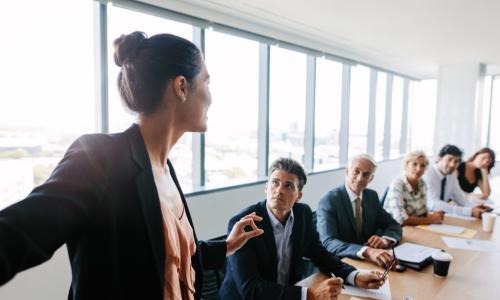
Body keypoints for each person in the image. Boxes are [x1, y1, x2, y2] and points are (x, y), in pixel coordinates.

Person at [0, 32, 264, 300]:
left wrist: (227, 245)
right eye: (207, 81)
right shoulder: (100, 157)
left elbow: (169, 257)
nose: (211, 96)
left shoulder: (166, 168)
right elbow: (19, 232)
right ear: (181, 87)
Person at [219, 158, 385, 300]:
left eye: (288, 186)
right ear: (266, 187)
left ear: (299, 196)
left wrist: (354, 276)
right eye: (275, 183)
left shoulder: (303, 214)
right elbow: (250, 289)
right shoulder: (245, 223)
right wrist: (309, 294)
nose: (279, 191)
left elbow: (320, 254)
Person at [316, 154, 402, 268]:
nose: (360, 178)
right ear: (347, 171)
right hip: (341, 264)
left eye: (366, 174)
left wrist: (385, 240)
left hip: (370, 263)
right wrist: (367, 251)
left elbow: (393, 225)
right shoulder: (329, 201)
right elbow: (329, 242)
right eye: (356, 171)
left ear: (371, 178)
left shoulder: (371, 196)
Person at [423, 144, 489, 218]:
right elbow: (434, 204)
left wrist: (475, 207)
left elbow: (459, 197)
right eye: (449, 159)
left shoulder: (451, 175)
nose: (452, 165)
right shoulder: (428, 174)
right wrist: (469, 211)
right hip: (424, 217)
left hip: (440, 217)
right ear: (439, 158)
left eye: (456, 161)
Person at [384, 150, 445, 225]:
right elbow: (401, 220)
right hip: (395, 229)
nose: (419, 169)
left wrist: (434, 216)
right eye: (415, 164)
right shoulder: (397, 184)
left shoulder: (421, 183)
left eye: (422, 166)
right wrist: (430, 220)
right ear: (406, 165)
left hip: (414, 227)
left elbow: (422, 212)